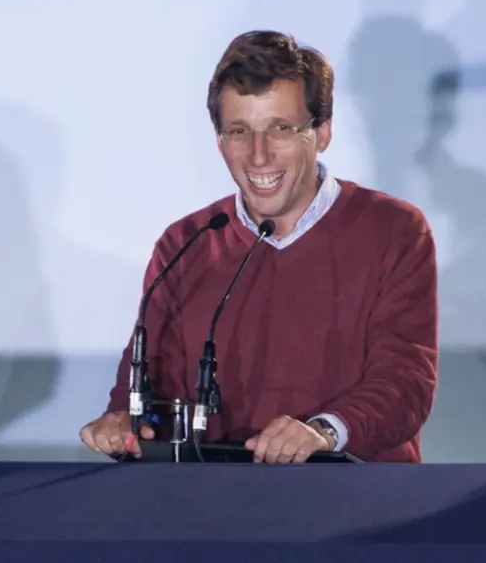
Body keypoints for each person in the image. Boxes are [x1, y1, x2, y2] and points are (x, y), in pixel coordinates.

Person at [78, 30, 439, 463]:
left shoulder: (394, 231)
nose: (259, 155)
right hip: (218, 512)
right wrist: (123, 422)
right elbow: (146, 385)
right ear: (219, 141)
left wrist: (322, 432)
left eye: (281, 129)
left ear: (322, 132)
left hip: (358, 508)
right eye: (239, 131)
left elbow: (406, 382)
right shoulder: (186, 243)